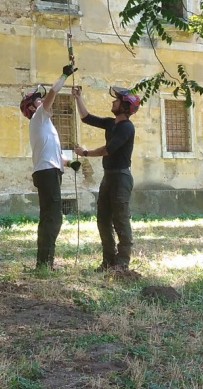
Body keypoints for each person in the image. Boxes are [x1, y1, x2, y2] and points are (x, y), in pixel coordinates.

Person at [72, 85, 140, 273]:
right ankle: (108, 261)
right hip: (109, 177)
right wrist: (78, 98)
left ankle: (122, 262)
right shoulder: (111, 123)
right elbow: (87, 118)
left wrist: (85, 152)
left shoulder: (127, 127)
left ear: (125, 107)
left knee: (120, 219)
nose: (113, 101)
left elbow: (108, 149)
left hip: (121, 177)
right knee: (103, 220)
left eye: (116, 100)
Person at [20, 63, 77, 270]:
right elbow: (53, 91)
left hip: (49, 171)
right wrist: (64, 74)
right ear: (33, 107)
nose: (42, 100)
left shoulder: (45, 123)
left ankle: (44, 262)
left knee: (50, 218)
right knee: (53, 219)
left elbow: (54, 155)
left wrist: (70, 162)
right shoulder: (39, 116)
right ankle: (45, 263)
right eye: (38, 99)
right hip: (47, 174)